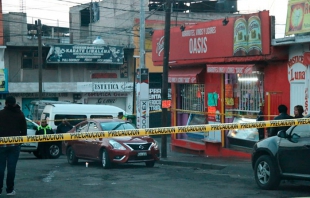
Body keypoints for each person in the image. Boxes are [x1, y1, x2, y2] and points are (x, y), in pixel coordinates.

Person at [0, 95, 27, 196]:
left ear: (6, 103)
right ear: (15, 103)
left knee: (0, 168)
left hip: (1, 145)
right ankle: (10, 190)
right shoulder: (20, 114)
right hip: (15, 145)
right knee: (11, 168)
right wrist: (21, 141)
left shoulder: (1, 114)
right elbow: (24, 130)